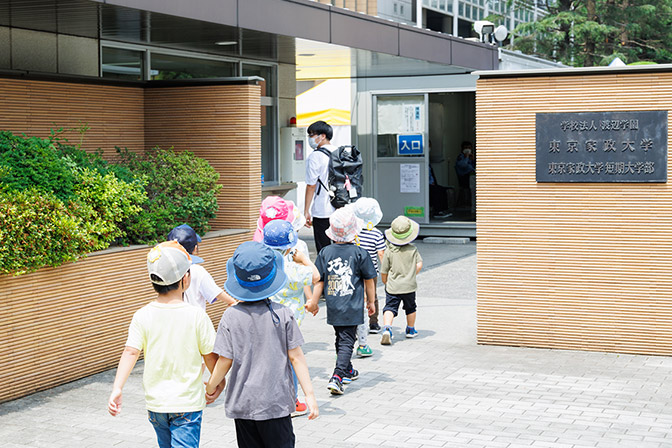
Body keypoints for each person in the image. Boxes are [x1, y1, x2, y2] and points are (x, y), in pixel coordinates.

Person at [108, 241, 223, 448]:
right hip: (187, 404)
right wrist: (217, 383)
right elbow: (210, 356)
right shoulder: (196, 316)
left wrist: (117, 387)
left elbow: (130, 352)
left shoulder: (142, 315)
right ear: (185, 279)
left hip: (156, 405)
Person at [205, 241, 318, 448]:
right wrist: (309, 395)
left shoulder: (230, 316)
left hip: (243, 403)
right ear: (273, 277)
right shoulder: (283, 313)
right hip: (276, 403)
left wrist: (211, 387)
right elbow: (296, 357)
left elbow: (224, 360)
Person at [305, 207, 377, 395]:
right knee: (347, 340)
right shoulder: (360, 253)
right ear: (354, 232)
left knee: (341, 337)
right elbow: (369, 280)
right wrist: (372, 302)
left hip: (333, 304)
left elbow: (319, 280)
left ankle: (348, 370)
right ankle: (337, 376)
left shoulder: (325, 252)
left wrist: (313, 301)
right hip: (352, 305)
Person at [263, 219, 319, 417]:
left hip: (264, 317)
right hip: (290, 320)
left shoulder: (264, 264)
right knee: (292, 359)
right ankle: (293, 401)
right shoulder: (292, 268)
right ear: (289, 247)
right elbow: (315, 276)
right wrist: (305, 260)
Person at [346, 197, 385, 357]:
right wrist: (386, 269)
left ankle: (354, 323)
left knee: (355, 297)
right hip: (371, 272)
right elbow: (381, 253)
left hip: (353, 271)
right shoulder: (376, 233)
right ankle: (373, 323)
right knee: (372, 296)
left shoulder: (352, 232)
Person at [167, 224, 237, 310]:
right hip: (195, 321)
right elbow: (216, 292)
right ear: (195, 248)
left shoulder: (165, 269)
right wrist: (232, 302)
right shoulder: (197, 271)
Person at [380, 216, 423, 345]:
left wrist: (385, 282)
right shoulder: (413, 249)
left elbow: (384, 270)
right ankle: (410, 330)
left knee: (390, 307)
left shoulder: (389, 251)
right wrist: (411, 274)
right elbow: (419, 264)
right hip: (409, 286)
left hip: (393, 286)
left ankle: (387, 328)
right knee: (410, 307)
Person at [304, 120, 338, 255]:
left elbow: (311, 185)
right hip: (341, 207)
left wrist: (306, 210)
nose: (310, 139)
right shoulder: (341, 152)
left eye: (312, 135)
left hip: (322, 209)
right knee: (341, 244)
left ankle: (325, 274)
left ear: (322, 136)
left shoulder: (315, 156)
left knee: (323, 248)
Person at [455, 141, 475, 208]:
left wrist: (473, 160)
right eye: (466, 148)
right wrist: (466, 157)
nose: (468, 149)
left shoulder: (471, 156)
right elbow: (463, 165)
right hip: (464, 178)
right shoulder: (461, 157)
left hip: (471, 176)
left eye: (469, 148)